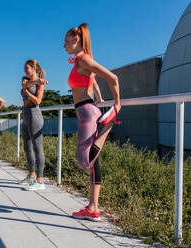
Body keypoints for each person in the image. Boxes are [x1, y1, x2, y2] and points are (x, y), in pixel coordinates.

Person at [64, 23, 121, 221]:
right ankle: (93, 207)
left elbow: (112, 77)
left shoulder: (85, 59)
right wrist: (98, 94)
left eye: (66, 42)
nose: (64, 46)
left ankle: (109, 123)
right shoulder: (81, 61)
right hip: (85, 111)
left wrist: (117, 103)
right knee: (92, 163)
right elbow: (92, 78)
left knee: (85, 160)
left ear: (76, 39)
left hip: (87, 112)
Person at [18, 60, 47, 191]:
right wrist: (31, 84)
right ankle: (31, 175)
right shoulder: (27, 80)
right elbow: (26, 85)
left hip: (35, 115)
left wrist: (27, 92)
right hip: (26, 115)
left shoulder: (40, 83)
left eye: (27, 68)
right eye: (24, 68)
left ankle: (40, 181)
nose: (25, 70)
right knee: (27, 147)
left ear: (34, 68)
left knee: (37, 148)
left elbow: (37, 101)